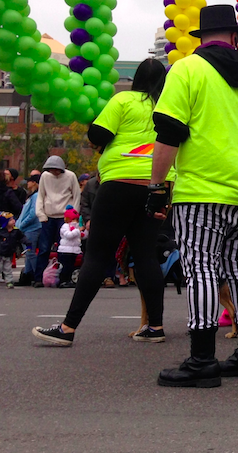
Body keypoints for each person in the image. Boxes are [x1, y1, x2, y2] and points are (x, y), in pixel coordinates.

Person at [149, 5, 238, 386]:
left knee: (201, 268)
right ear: (235, 37)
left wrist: (157, 187)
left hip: (202, 192)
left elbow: (169, 134)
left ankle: (202, 359)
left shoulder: (187, 70)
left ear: (202, 37)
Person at [31, 59, 175, 346]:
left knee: (97, 255)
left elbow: (98, 134)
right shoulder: (170, 106)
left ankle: (68, 328)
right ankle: (155, 326)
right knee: (146, 256)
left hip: (119, 182)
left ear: (136, 79)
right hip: (157, 185)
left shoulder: (123, 100)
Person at [33, 155, 80, 287]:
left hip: (65, 217)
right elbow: (41, 196)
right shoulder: (45, 176)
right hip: (48, 216)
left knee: (64, 249)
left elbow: (76, 195)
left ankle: (63, 278)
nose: (54, 172)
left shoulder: (70, 176)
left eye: (56, 169)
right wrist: (41, 215)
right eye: (51, 169)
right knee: (44, 248)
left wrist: (73, 216)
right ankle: (39, 278)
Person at [14, 174, 41, 285]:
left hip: (32, 228)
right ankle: (27, 275)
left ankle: (37, 275)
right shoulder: (32, 195)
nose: (27, 183)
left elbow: (33, 213)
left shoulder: (36, 196)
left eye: (29, 181)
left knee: (30, 252)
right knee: (28, 253)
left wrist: (22, 224)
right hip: (27, 228)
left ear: (34, 183)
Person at [55, 206, 83, 289]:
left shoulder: (77, 227)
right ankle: (62, 280)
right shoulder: (65, 226)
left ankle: (69, 280)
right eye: (73, 219)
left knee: (71, 267)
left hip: (74, 250)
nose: (75, 221)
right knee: (65, 267)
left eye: (76, 219)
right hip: (65, 250)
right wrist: (78, 231)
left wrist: (82, 232)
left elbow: (80, 236)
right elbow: (68, 235)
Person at [1, 211, 24, 288]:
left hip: (9, 253)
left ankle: (9, 281)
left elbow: (22, 238)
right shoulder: (1, 231)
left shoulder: (16, 231)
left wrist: (28, 243)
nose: (13, 221)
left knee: (8, 269)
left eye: (13, 219)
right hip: (1, 253)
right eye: (10, 220)